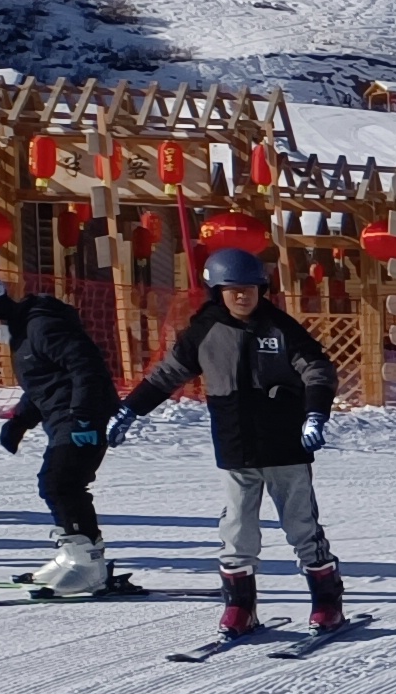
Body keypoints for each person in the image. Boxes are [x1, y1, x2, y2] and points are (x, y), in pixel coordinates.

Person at [111, 246, 346, 638]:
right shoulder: (204, 331)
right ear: (216, 291)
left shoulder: (280, 327)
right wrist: (129, 411)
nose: (243, 296)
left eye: (251, 289)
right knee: (236, 530)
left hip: (285, 446)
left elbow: (318, 371)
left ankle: (326, 603)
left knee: (300, 526)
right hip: (236, 447)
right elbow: (166, 376)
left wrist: (315, 414)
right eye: (233, 289)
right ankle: (240, 607)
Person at [0, 270, 123, 596]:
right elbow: (43, 386)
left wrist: (85, 417)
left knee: (60, 483)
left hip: (82, 417)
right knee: (58, 483)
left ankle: (88, 567)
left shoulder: (42, 326)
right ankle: (73, 556)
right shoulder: (24, 334)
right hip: (65, 418)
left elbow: (87, 366)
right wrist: (19, 421)